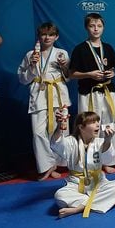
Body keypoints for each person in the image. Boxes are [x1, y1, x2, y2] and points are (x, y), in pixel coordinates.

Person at [18, 22, 71, 180]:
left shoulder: (61, 53)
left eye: (51, 34)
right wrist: (32, 66)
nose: (47, 37)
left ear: (56, 37)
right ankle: (47, 166)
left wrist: (64, 66)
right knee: (38, 133)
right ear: (39, 36)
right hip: (39, 96)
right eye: (43, 34)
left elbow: (69, 77)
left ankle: (57, 164)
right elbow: (22, 79)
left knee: (59, 130)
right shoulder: (30, 54)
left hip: (58, 95)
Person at [69, 13, 115, 173]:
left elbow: (112, 68)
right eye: (92, 26)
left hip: (107, 92)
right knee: (89, 127)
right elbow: (71, 74)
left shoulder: (108, 48)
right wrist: (89, 74)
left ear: (103, 28)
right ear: (86, 28)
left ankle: (108, 160)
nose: (96, 29)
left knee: (108, 125)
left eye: (99, 26)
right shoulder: (80, 49)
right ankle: (89, 161)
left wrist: (112, 73)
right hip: (88, 93)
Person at [50, 110, 115, 218]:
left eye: (98, 121)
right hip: (76, 183)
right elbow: (56, 143)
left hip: (97, 182)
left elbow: (108, 159)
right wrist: (59, 126)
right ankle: (101, 201)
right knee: (59, 195)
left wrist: (108, 140)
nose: (97, 124)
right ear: (81, 127)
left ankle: (78, 208)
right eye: (93, 122)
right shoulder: (71, 141)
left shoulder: (100, 142)